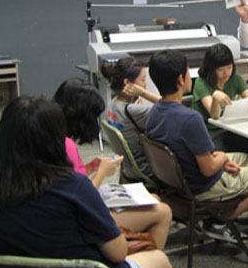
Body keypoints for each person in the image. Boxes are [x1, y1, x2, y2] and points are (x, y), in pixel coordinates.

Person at [0, 96, 174, 268]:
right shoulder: (73, 186)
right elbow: (118, 253)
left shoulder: (5, 190)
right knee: (160, 260)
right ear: (56, 140)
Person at [145, 49, 248, 242]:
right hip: (203, 187)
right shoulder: (190, 119)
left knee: (246, 158)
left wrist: (220, 160)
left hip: (178, 182)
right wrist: (222, 158)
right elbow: (209, 168)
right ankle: (222, 220)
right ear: (181, 79)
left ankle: (222, 215)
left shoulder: (154, 113)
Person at [54, 78, 172, 250]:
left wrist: (89, 167)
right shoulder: (67, 145)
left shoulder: (55, 138)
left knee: (154, 199)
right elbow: (81, 196)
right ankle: (147, 257)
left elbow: (69, 179)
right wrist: (101, 173)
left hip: (73, 211)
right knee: (163, 211)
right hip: (79, 218)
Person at [192, 43, 248, 148]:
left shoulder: (235, 78)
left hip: (230, 128)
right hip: (209, 132)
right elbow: (214, 115)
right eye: (220, 69)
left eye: (229, 67)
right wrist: (215, 98)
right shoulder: (201, 83)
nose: (226, 72)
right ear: (211, 69)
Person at [101, 57, 160, 179]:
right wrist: (144, 93)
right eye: (143, 79)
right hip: (147, 170)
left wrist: (135, 109)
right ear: (127, 83)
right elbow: (172, 106)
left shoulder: (113, 105)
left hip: (129, 169)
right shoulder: (132, 110)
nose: (145, 84)